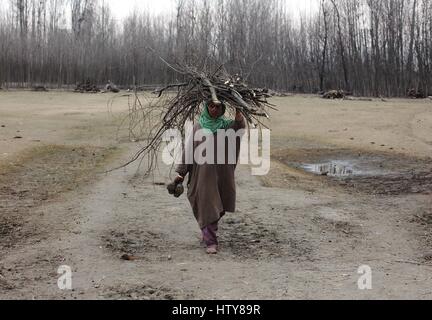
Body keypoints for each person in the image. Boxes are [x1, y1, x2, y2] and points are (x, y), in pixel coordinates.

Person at [173, 100, 246, 254]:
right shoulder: (199, 127)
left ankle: (207, 233)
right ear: (206, 107)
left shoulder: (226, 126)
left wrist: (239, 110)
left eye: (217, 107)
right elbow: (189, 150)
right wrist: (181, 173)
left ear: (222, 109)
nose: (214, 109)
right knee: (207, 205)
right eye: (211, 106)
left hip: (222, 174)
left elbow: (239, 127)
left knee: (219, 207)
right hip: (203, 175)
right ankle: (211, 242)